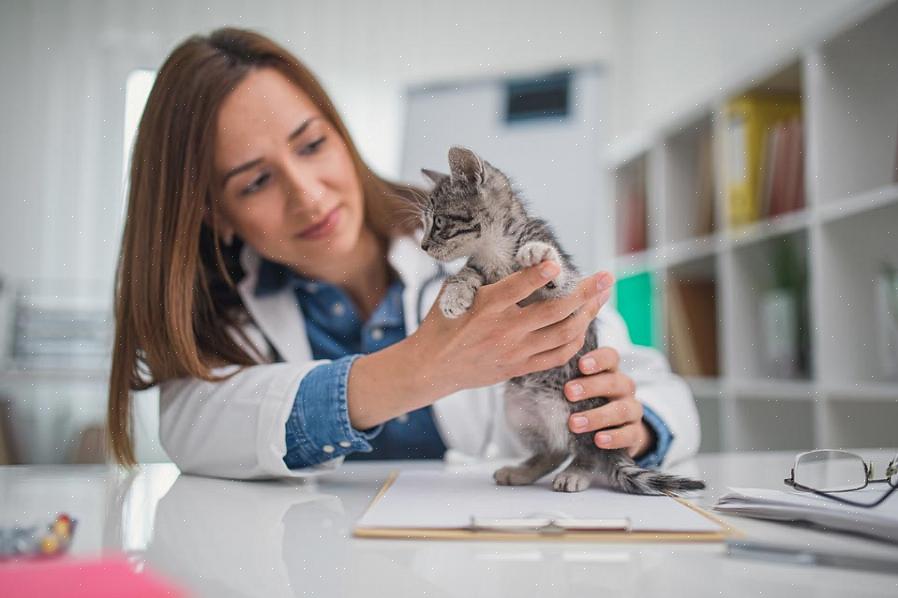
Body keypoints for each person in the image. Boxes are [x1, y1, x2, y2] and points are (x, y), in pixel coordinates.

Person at [107, 27, 700, 479]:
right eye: (255, 182)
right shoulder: (221, 312)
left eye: (312, 144)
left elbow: (655, 387)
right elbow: (193, 426)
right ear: (214, 212)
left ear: (340, 132)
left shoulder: (480, 240)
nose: (308, 196)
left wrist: (632, 427)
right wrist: (416, 370)